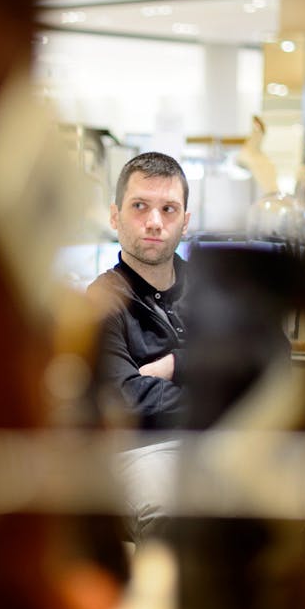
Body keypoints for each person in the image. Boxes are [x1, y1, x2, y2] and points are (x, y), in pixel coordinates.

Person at [87, 151, 193, 430]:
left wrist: (176, 364)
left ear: (185, 222)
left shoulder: (213, 287)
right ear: (114, 216)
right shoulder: (101, 301)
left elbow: (270, 360)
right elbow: (125, 397)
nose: (155, 222)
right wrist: (217, 397)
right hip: (143, 454)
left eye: (169, 209)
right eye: (139, 206)